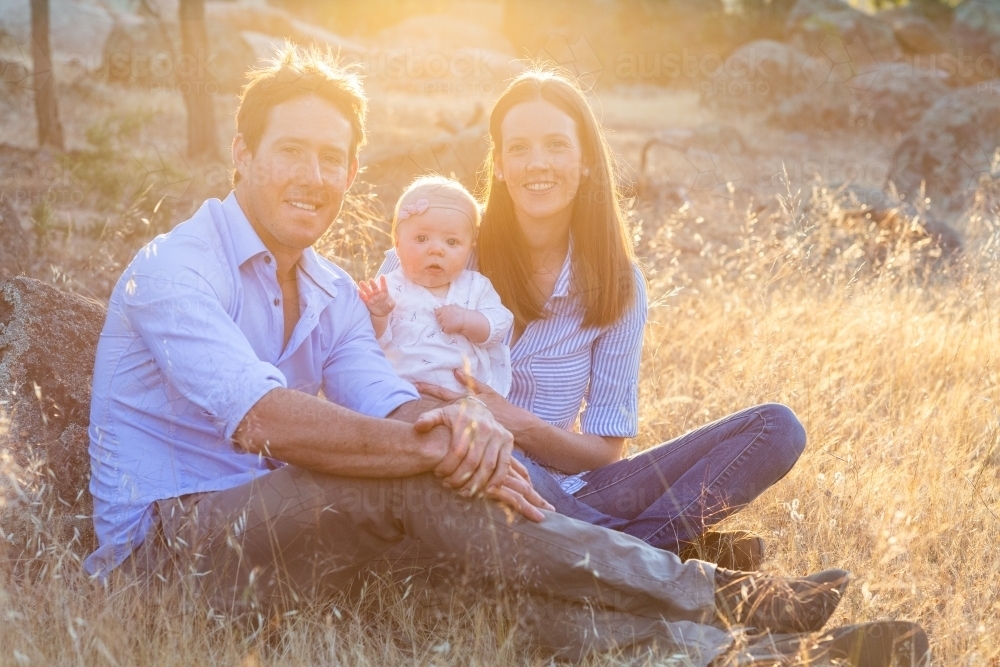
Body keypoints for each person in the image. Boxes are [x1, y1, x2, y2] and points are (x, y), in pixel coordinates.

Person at [84, 45, 926, 666]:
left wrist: (453, 425)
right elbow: (265, 420)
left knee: (477, 582)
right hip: (174, 553)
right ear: (241, 152)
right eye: (291, 150)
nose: (313, 174)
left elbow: (385, 396)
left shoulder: (337, 290)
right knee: (406, 472)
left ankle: (749, 655)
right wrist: (435, 442)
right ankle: (735, 595)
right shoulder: (173, 269)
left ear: (351, 172)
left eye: (332, 157)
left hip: (303, 541)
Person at [391, 68, 804, 571]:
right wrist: (480, 423)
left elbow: (606, 450)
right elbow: (371, 364)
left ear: (585, 160)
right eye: (518, 147)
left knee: (777, 428)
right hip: (463, 465)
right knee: (493, 450)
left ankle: (624, 552)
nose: (536, 163)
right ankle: (667, 561)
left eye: (556, 145)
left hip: (577, 488)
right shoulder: (445, 242)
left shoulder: (618, 284)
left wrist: (514, 421)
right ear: (498, 164)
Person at [358, 176, 513, 396]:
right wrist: (379, 316)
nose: (436, 250)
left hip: (466, 397)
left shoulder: (475, 286)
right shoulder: (389, 289)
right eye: (421, 238)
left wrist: (467, 320)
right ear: (397, 241)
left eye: (451, 242)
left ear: (470, 247)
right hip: (404, 396)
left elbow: (500, 323)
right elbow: (371, 343)